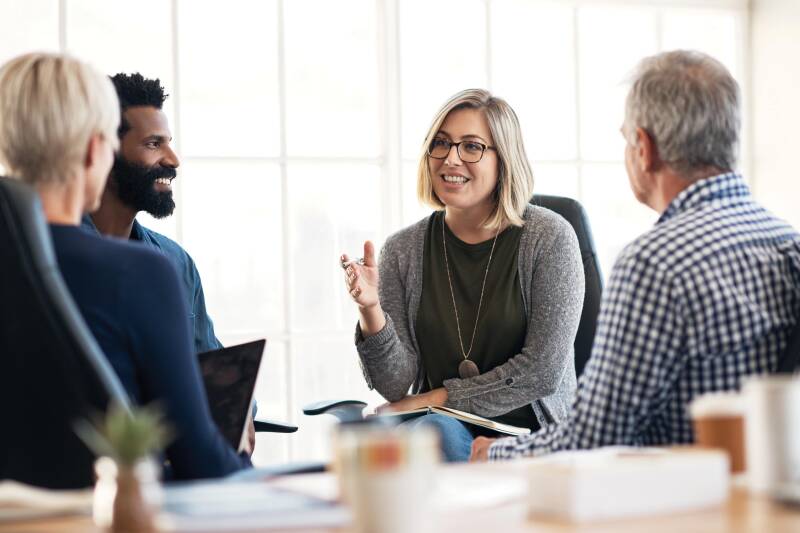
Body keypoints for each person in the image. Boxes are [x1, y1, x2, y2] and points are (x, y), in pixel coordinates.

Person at [471, 50, 800, 462]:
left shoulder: (656, 263)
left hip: (683, 505)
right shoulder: (788, 242)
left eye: (627, 138)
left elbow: (596, 438)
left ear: (644, 148)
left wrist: (496, 454)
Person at [0, 52, 250, 480]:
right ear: (99, 148)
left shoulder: (166, 262)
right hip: (115, 510)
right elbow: (201, 462)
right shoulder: (140, 273)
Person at [341, 88, 585, 462]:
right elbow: (394, 385)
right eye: (441, 143)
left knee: (431, 434)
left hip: (529, 439)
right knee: (418, 439)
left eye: (471, 147)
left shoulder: (550, 238)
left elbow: (542, 372)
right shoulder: (404, 249)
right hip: (435, 433)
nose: (451, 158)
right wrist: (370, 309)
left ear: (504, 159)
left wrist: (436, 399)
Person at [82, 72, 221, 354]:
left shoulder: (177, 262)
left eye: (168, 142)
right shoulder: (48, 256)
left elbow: (210, 367)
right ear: (104, 152)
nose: (173, 159)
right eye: (153, 144)